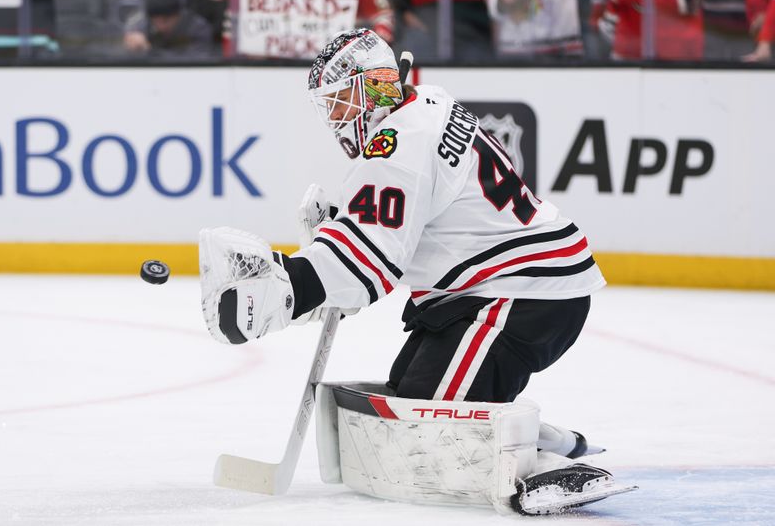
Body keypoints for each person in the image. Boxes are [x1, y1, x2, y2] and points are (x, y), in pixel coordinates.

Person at [198, 28, 628, 514]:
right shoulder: (425, 102)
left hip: (519, 296)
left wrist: (293, 285)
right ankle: (522, 426)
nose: (337, 120)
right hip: (494, 290)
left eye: (341, 103)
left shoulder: (397, 146)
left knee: (426, 430)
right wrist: (336, 235)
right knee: (406, 397)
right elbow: (403, 220)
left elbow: (369, 263)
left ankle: (537, 464)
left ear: (373, 88)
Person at [123, 0, 215, 58]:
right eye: (156, 21)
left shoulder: (198, 28)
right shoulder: (139, 26)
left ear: (178, 15)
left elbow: (195, 61)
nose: (161, 26)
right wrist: (133, 47)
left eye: (166, 20)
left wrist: (151, 51)